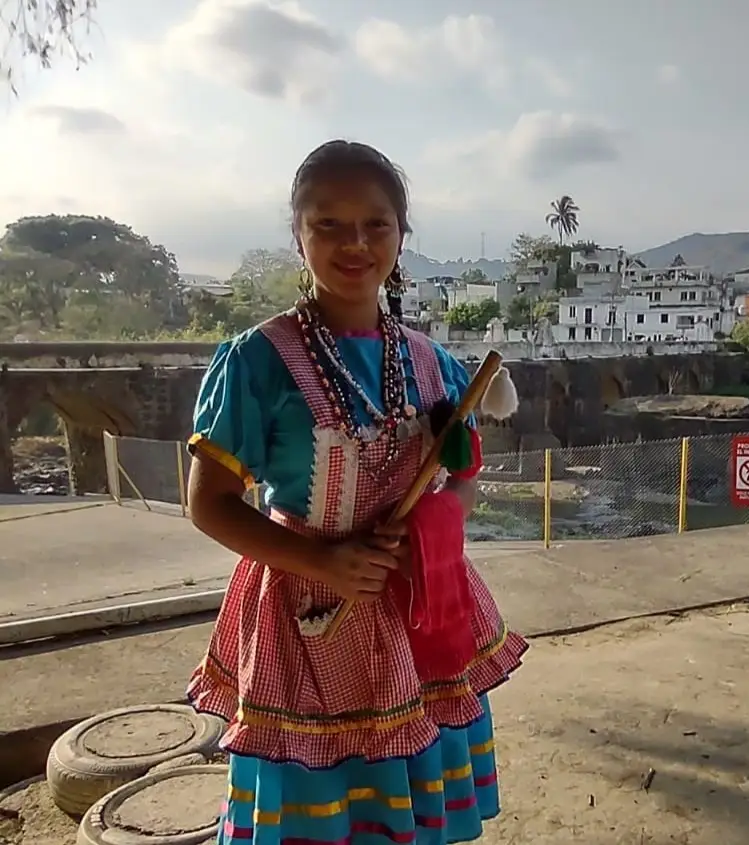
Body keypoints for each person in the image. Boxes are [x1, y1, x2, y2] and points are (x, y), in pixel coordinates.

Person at [186, 139, 527, 845]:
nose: (355, 244)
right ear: (298, 235)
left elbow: (460, 473)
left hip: (415, 615)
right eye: (328, 225)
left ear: (401, 237)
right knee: (318, 808)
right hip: (304, 621)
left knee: (402, 809)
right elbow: (208, 502)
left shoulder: (432, 360)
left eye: (375, 224)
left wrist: (431, 530)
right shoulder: (258, 359)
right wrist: (325, 562)